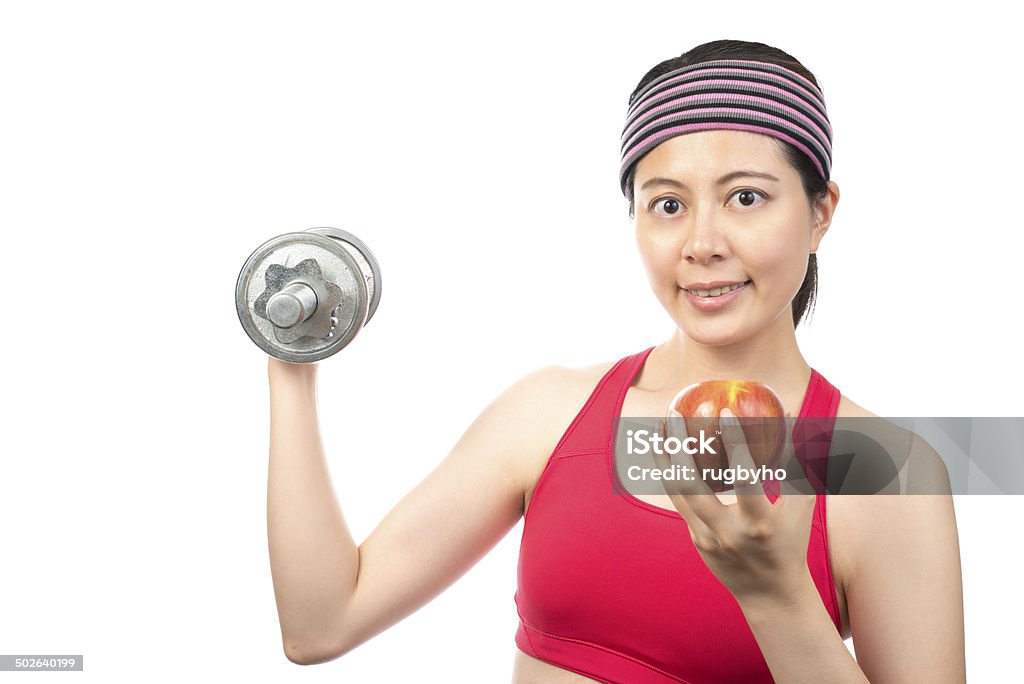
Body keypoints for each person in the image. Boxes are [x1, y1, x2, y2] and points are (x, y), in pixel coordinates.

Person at [265, 39, 966, 683]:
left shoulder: (884, 472)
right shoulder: (547, 413)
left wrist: (776, 595)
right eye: (666, 205)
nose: (702, 243)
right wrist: (291, 364)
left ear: (820, 212)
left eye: (745, 198)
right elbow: (321, 623)